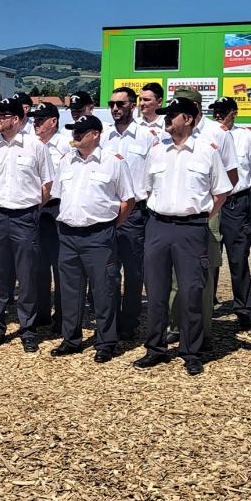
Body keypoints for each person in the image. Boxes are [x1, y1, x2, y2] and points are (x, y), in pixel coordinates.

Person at [134, 97, 231, 376]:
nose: (166, 119)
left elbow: (221, 192)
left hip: (191, 229)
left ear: (187, 119)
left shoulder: (207, 152)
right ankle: (155, 349)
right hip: (158, 226)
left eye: (172, 115)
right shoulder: (156, 150)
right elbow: (145, 189)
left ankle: (191, 352)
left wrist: (201, 218)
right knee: (156, 292)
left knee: (190, 292)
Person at [50, 115, 134, 362]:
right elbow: (58, 195)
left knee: (104, 290)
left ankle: (106, 342)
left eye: (81, 131)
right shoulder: (66, 161)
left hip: (99, 234)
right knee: (69, 290)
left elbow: (128, 200)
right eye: (74, 131)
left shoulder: (114, 162)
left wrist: (110, 226)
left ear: (95, 134)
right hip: (68, 234)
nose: (75, 135)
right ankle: (71, 339)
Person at [0, 98, 54, 352]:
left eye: (2, 115)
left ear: (17, 119)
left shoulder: (36, 146)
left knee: (27, 275)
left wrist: (30, 208)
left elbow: (47, 184)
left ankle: (28, 329)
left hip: (25, 218)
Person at [164, 87, 239, 346]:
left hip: (206, 212)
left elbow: (231, 177)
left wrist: (209, 210)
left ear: (194, 109)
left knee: (201, 276)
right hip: (174, 213)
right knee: (173, 273)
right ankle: (175, 325)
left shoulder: (218, 133)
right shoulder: (168, 133)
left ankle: (202, 330)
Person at [100, 87, 160, 340]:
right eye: (112, 104)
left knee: (134, 272)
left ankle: (129, 322)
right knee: (108, 271)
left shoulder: (148, 137)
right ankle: (111, 322)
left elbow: (155, 174)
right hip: (107, 211)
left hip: (135, 213)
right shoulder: (103, 136)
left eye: (121, 104)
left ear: (132, 106)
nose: (115, 108)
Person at [210, 96, 251, 327]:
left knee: (238, 257)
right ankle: (207, 303)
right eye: (216, 111)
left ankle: (243, 307)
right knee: (209, 256)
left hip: (235, 203)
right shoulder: (207, 134)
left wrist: (238, 194)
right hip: (212, 202)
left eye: (223, 111)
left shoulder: (246, 137)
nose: (218, 115)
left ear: (235, 112)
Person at [28, 102, 71, 335]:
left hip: (56, 207)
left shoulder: (66, 145)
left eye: (40, 119)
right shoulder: (30, 143)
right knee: (38, 264)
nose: (35, 123)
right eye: (34, 119)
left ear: (53, 121)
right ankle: (41, 313)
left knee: (60, 265)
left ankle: (62, 316)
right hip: (34, 208)